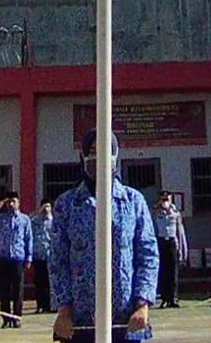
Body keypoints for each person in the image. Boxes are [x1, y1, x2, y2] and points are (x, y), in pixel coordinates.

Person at [51, 129, 158, 343]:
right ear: (83, 157)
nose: (98, 157)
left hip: (126, 319)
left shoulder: (132, 201)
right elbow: (58, 260)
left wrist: (143, 304)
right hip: (80, 321)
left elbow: (147, 255)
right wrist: (64, 310)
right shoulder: (67, 204)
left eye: (105, 150)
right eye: (92, 151)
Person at [0, 191, 35, 328]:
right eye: (9, 201)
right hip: (3, 258)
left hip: (18, 257)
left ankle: (17, 317)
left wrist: (29, 257)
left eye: (13, 201)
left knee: (18, 290)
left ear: (18, 203)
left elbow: (29, 238)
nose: (11, 204)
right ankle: (6, 318)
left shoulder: (24, 219)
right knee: (4, 290)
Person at [153, 193, 188, 308]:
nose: (165, 201)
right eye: (163, 199)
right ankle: (164, 298)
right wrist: (159, 205)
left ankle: (173, 298)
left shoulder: (175, 212)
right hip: (161, 241)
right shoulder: (157, 212)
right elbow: (152, 217)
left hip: (172, 242)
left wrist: (181, 248)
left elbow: (180, 230)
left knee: (173, 272)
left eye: (167, 198)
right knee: (162, 271)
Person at [34, 200, 57, 313]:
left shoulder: (54, 221)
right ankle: (40, 305)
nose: (46, 209)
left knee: (51, 283)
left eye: (48, 206)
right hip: (39, 256)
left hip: (51, 256)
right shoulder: (36, 222)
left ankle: (51, 305)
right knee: (39, 282)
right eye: (44, 206)